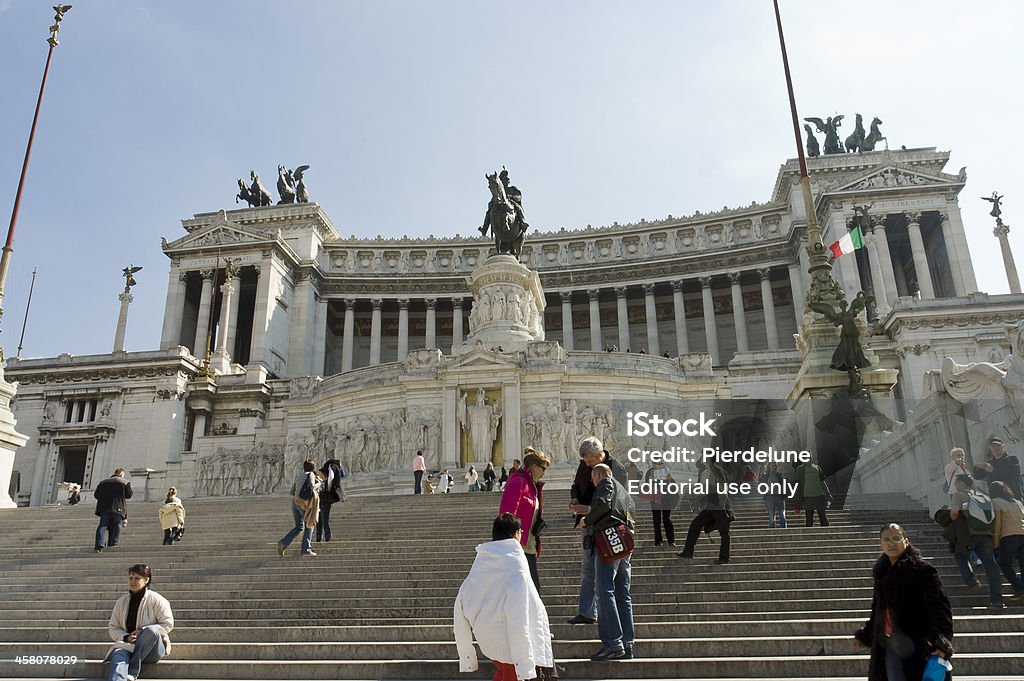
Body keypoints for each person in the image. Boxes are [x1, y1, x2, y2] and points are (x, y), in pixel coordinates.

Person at [454, 513, 554, 681]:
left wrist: (467, 655)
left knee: (503, 673)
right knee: (510, 674)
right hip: (510, 641)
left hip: (487, 638)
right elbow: (518, 615)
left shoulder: (481, 562)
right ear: (516, 533)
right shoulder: (515, 563)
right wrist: (524, 663)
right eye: (521, 531)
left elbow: (461, 603)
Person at [853, 524, 953, 681]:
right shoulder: (882, 572)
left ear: (906, 541)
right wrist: (867, 633)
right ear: (881, 543)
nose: (891, 543)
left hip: (917, 644)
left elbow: (940, 609)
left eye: (896, 538)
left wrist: (941, 641)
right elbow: (878, 608)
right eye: (886, 539)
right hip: (887, 645)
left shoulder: (923, 570)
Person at [568, 439, 629, 625]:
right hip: (588, 525)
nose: (586, 465)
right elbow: (576, 485)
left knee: (610, 575)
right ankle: (587, 612)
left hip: (607, 527)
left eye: (589, 462)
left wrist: (586, 511)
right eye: (585, 462)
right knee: (587, 568)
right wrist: (575, 498)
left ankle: (612, 619)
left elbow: (616, 501)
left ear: (599, 455)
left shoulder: (616, 468)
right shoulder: (583, 464)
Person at [582, 464, 635, 661]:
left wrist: (586, 520)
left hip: (608, 542)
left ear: (597, 476)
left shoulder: (606, 484)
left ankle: (613, 643)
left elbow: (602, 504)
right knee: (623, 594)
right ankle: (627, 643)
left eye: (592, 479)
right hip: (623, 542)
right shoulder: (624, 492)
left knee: (604, 591)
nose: (592, 483)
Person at [104, 564, 174, 681]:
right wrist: (126, 637)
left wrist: (142, 631)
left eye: (137, 578)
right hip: (129, 645)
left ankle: (132, 670)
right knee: (118, 655)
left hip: (152, 648)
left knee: (151, 631)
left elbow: (167, 624)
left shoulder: (157, 600)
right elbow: (113, 627)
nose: (133, 581)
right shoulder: (121, 602)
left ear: (146, 580)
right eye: (130, 578)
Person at [499, 447, 550, 592]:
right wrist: (510, 540)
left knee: (532, 588)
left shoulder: (533, 486)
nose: (544, 473)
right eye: (543, 468)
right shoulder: (519, 482)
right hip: (518, 545)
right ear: (534, 466)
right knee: (528, 588)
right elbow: (507, 513)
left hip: (529, 545)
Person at [949, 474, 1004, 607]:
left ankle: (972, 581)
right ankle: (997, 600)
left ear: (962, 483)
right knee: (991, 566)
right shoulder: (983, 496)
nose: (955, 485)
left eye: (956, 482)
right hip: (986, 535)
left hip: (969, 535)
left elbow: (955, 513)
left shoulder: (959, 495)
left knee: (960, 555)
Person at [677, 463, 734, 564]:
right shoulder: (704, 473)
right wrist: (699, 502)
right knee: (695, 524)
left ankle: (724, 557)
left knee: (724, 531)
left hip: (719, 506)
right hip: (710, 506)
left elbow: (723, 490)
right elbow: (704, 491)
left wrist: (724, 506)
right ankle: (688, 551)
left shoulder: (718, 471)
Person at [277, 459, 320, 558]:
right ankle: (306, 549)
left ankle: (283, 543)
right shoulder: (311, 475)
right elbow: (312, 486)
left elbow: (292, 491)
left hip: (295, 503)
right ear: (313, 468)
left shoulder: (299, 476)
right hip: (304, 504)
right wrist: (319, 484)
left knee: (299, 527)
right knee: (309, 524)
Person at [990, 481, 1024, 600]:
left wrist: (995, 542)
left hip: (1009, 536)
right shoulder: (1018, 502)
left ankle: (1019, 588)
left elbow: (998, 523)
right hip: (1022, 534)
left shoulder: (995, 502)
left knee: (1004, 563)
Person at [95, 468, 133, 553]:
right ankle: (114, 543)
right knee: (117, 525)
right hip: (118, 507)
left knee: (103, 525)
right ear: (121, 474)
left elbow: (96, 495)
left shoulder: (103, 482)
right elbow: (129, 495)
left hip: (104, 507)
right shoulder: (125, 482)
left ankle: (99, 544)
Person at [643, 462, 677, 547]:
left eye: (661, 463)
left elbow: (673, 485)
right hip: (655, 498)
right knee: (656, 519)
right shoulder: (650, 472)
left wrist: (669, 479)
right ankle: (658, 541)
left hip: (666, 497)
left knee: (667, 519)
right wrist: (650, 481)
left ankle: (671, 540)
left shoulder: (666, 471)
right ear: (653, 463)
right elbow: (647, 487)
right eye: (657, 463)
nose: (659, 465)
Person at [795, 460, 830, 527]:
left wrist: (828, 493)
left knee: (823, 516)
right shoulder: (799, 469)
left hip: (819, 495)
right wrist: (797, 495)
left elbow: (822, 481)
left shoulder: (817, 467)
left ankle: (827, 533)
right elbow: (797, 483)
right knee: (809, 518)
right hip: (807, 496)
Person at [317, 459, 343, 543]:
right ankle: (326, 535)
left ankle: (319, 536)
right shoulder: (333, 470)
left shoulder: (325, 474)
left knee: (320, 519)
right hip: (325, 499)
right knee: (324, 518)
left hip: (320, 498)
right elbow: (336, 482)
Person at [762, 462, 788, 529]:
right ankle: (772, 529)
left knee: (782, 514)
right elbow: (761, 485)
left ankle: (784, 529)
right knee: (771, 516)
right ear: (768, 467)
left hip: (779, 496)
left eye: (774, 466)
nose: (773, 467)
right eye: (771, 466)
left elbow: (783, 484)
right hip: (769, 497)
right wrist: (766, 491)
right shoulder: (765, 475)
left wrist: (780, 491)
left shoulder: (779, 475)